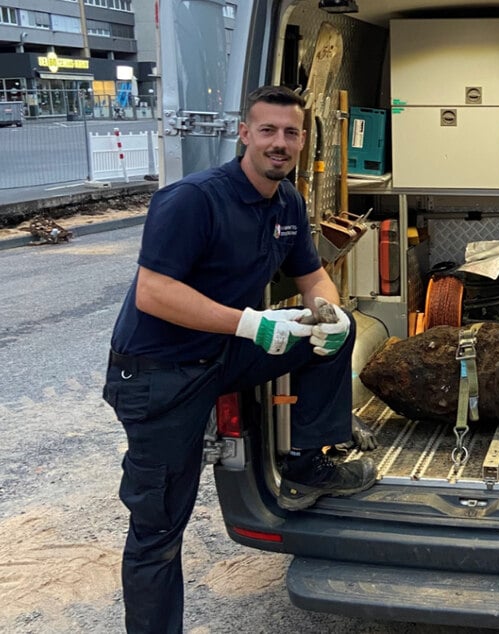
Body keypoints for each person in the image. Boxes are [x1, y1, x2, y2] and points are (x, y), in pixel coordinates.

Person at [102, 85, 377, 632]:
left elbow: (313, 276)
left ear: (302, 140)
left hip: (223, 353)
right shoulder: (193, 200)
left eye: (291, 132)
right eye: (268, 130)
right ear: (244, 134)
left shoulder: (288, 202)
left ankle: (304, 465)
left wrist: (329, 314)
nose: (280, 143)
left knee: (335, 336)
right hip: (162, 373)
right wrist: (251, 323)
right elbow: (153, 293)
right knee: (158, 530)